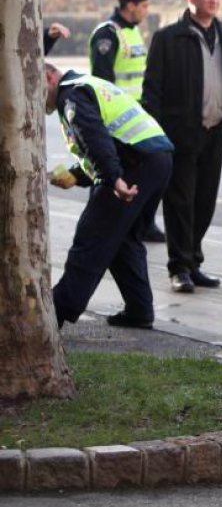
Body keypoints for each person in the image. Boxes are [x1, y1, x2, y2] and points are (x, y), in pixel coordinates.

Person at [142, 0, 222, 293]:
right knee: (179, 203)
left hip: (216, 131)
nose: (214, 0)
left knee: (204, 202)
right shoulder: (167, 38)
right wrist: (154, 135)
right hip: (180, 134)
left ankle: (195, 263)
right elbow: (153, 89)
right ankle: (179, 268)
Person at [45, 63, 174, 330]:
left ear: (48, 76)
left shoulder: (71, 95)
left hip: (132, 166)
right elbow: (108, 140)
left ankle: (55, 313)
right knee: (125, 239)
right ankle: (139, 310)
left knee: (92, 238)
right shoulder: (85, 83)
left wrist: (114, 179)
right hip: (156, 160)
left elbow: (94, 138)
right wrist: (78, 175)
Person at [89, 0, 167, 243]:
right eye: (143, 6)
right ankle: (105, 223)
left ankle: (144, 223)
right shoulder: (107, 34)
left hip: (137, 115)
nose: (146, 11)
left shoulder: (132, 32)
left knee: (148, 171)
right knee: (113, 173)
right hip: (118, 119)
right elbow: (103, 80)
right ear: (130, 5)